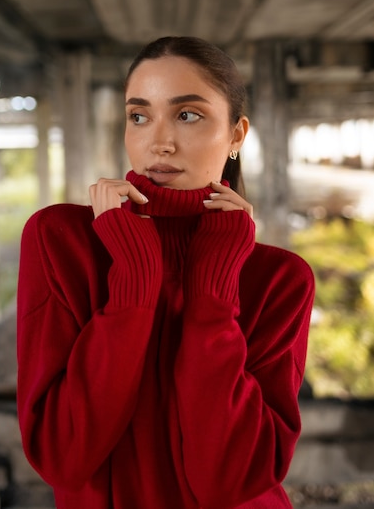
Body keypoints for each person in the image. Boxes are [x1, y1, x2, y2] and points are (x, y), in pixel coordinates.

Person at [17, 36, 315, 509]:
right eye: (139, 116)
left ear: (237, 135)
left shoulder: (280, 278)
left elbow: (231, 480)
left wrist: (211, 297)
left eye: (187, 114)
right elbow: (63, 458)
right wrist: (132, 288)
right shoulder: (62, 240)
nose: (159, 142)